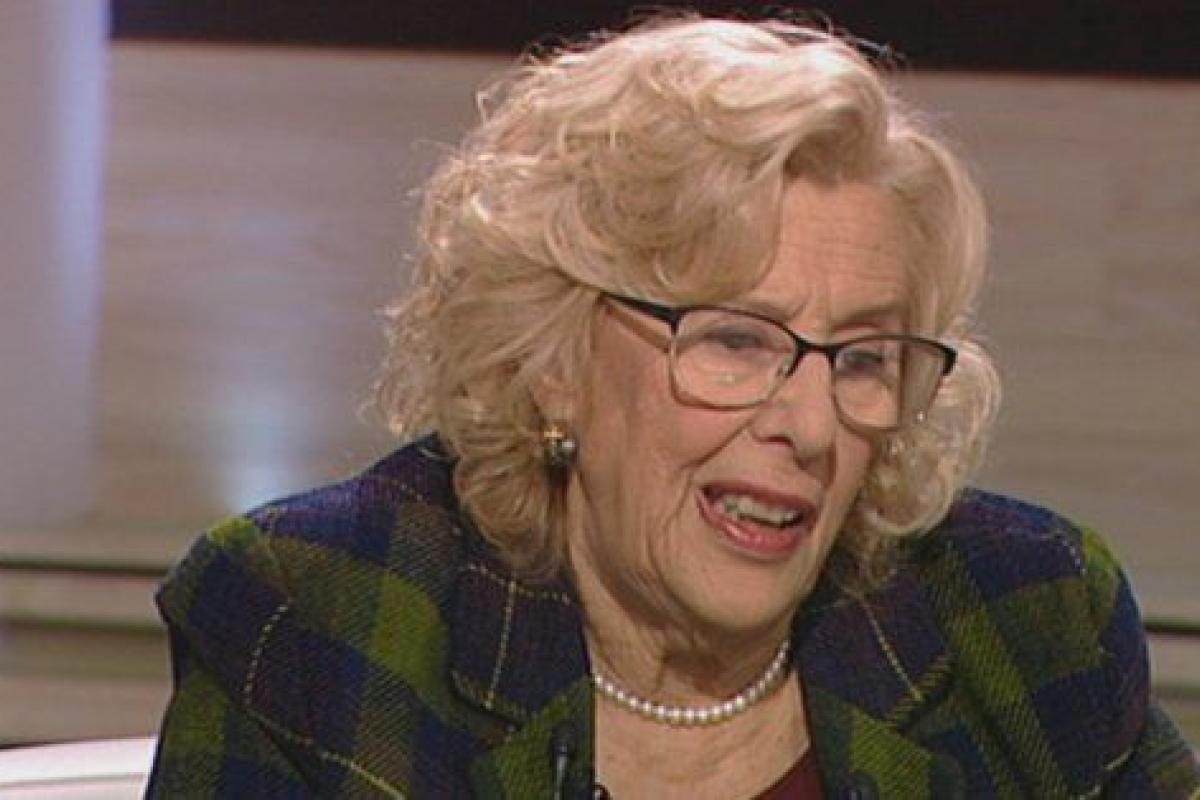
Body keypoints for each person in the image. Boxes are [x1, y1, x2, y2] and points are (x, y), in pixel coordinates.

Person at [146, 14, 1199, 798]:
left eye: (863, 358)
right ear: (555, 359)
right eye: (736, 340)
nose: (812, 426)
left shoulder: (1026, 625)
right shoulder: (326, 626)